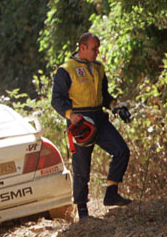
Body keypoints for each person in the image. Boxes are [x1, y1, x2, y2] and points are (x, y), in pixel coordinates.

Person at [51, 32, 131, 220]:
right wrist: (71, 115)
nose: (97, 52)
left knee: (121, 151)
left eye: (98, 48)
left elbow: (104, 96)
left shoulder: (99, 68)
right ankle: (83, 212)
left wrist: (115, 107)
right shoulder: (65, 70)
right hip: (80, 123)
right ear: (83, 47)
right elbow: (56, 99)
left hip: (100, 119)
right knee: (81, 169)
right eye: (94, 48)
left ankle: (111, 193)